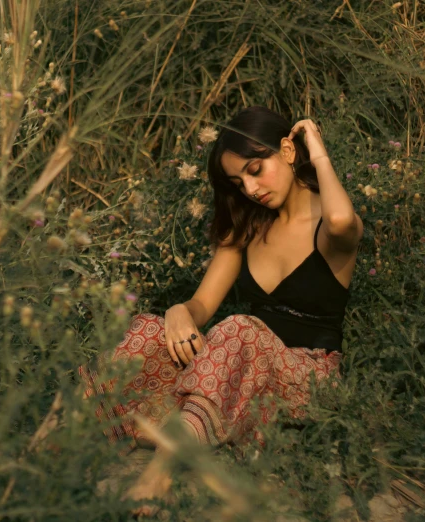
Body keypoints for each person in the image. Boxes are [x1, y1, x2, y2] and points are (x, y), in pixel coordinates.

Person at [80, 106, 363, 515]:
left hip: (307, 377)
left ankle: (161, 471)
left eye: (255, 169)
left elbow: (340, 219)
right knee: (148, 329)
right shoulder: (248, 226)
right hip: (236, 370)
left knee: (239, 330)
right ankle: (66, 436)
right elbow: (202, 305)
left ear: (286, 150)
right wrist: (179, 312)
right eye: (238, 180)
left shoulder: (333, 227)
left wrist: (316, 152)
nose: (249, 188)